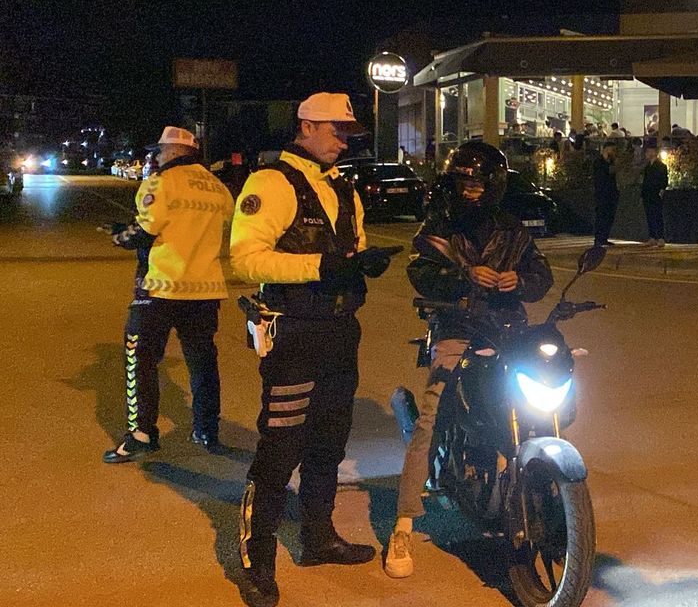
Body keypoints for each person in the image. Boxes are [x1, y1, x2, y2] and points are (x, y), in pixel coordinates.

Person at [231, 92, 399, 607]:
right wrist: (321, 267)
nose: (343, 141)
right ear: (305, 127)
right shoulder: (271, 182)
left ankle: (318, 537)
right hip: (295, 333)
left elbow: (349, 249)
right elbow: (246, 259)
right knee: (280, 447)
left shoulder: (344, 187)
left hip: (339, 330)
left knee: (329, 441)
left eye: (348, 133)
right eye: (335, 130)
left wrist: (363, 261)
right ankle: (256, 561)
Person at [384, 141, 553, 578]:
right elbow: (420, 271)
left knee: (542, 395)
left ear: (495, 185)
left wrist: (519, 281)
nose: (471, 190)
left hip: (509, 329)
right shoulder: (440, 225)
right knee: (431, 416)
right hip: (457, 327)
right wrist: (464, 277)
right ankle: (403, 524)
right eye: (465, 182)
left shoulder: (513, 229)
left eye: (479, 183)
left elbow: (542, 273)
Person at [102, 125, 234, 463]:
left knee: (140, 357)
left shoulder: (160, 183)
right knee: (203, 363)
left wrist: (119, 235)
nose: (155, 157)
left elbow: (144, 232)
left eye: (158, 151)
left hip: (160, 289)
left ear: (174, 151)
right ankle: (206, 429)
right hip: (205, 291)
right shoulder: (218, 188)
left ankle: (141, 434)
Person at [640, 140, 668, 246]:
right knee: (649, 216)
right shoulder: (647, 167)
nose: (647, 154)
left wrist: (661, 189)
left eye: (648, 151)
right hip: (647, 193)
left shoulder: (661, 166)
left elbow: (664, 180)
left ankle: (660, 237)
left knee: (657, 215)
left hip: (655, 193)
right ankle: (652, 237)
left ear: (653, 152)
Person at [592, 142, 620, 246]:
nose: (614, 152)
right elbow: (603, 175)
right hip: (602, 193)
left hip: (611, 193)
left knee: (609, 216)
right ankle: (599, 238)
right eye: (612, 150)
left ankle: (604, 237)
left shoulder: (611, 161)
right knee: (601, 216)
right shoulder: (598, 162)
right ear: (606, 149)